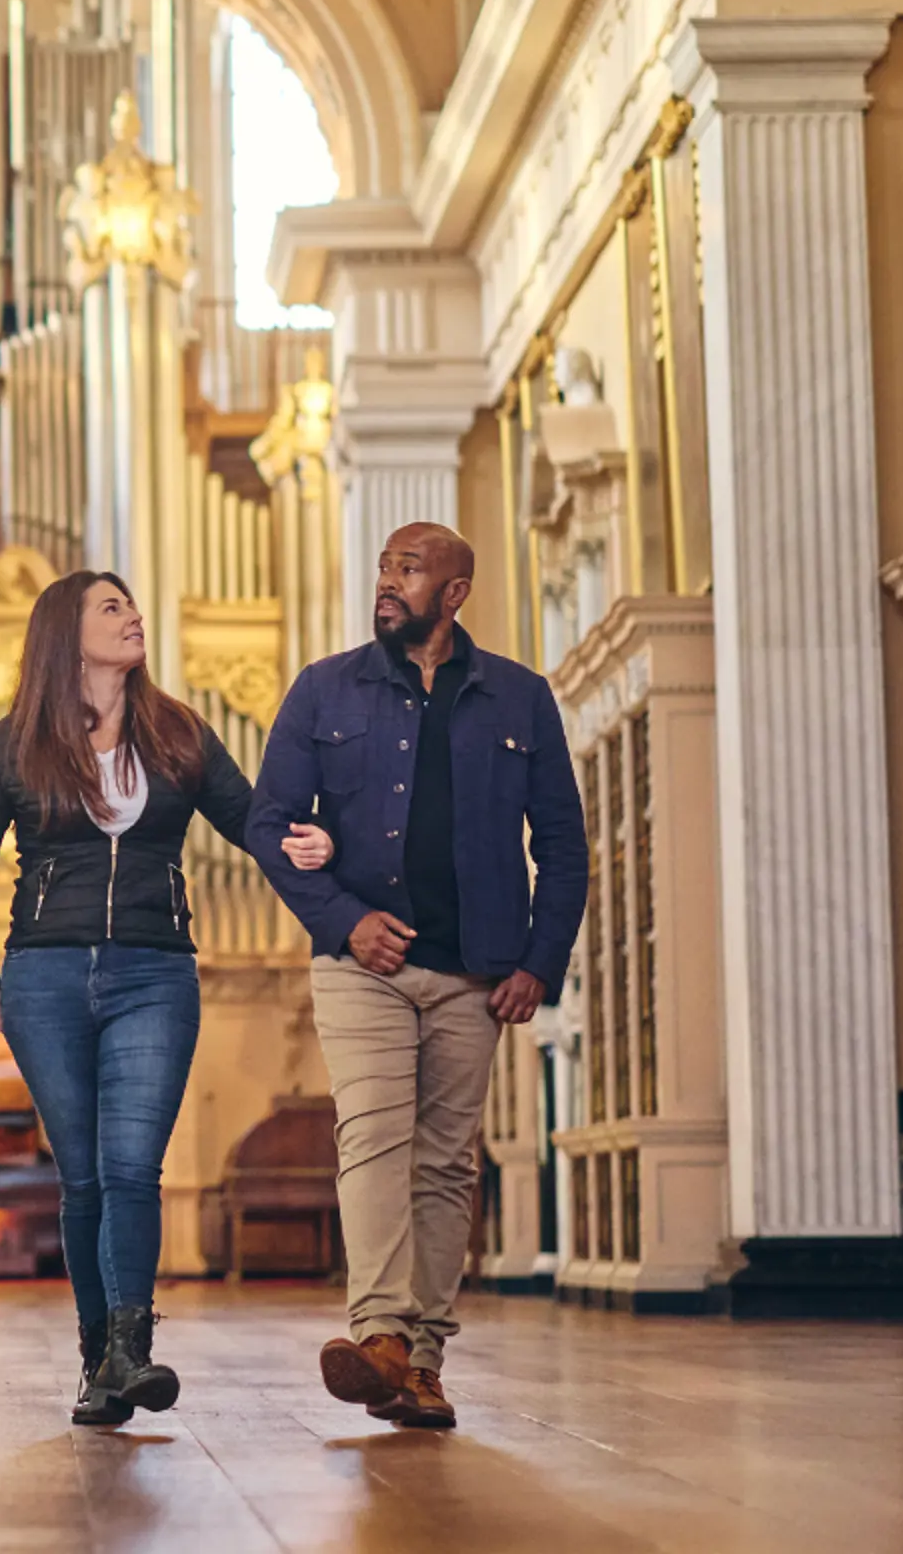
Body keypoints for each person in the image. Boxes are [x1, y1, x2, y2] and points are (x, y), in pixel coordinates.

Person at [0, 570, 333, 1427]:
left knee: (130, 1168)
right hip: (43, 975)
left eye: (132, 605)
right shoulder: (16, 742)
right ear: (65, 633)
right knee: (82, 1178)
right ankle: (99, 1362)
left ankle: (131, 1347)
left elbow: (251, 820)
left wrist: (303, 842)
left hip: (154, 972)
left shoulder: (178, 732)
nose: (134, 617)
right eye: (111, 608)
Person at [247, 524, 585, 1433]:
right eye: (384, 567)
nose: (388, 582)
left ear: (455, 591)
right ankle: (380, 1332)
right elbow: (268, 823)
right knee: (371, 1137)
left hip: (476, 970)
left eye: (408, 569)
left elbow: (562, 844)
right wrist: (343, 920)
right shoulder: (324, 688)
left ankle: (420, 1363)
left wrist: (539, 962)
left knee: (444, 1166)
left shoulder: (521, 697)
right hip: (363, 965)